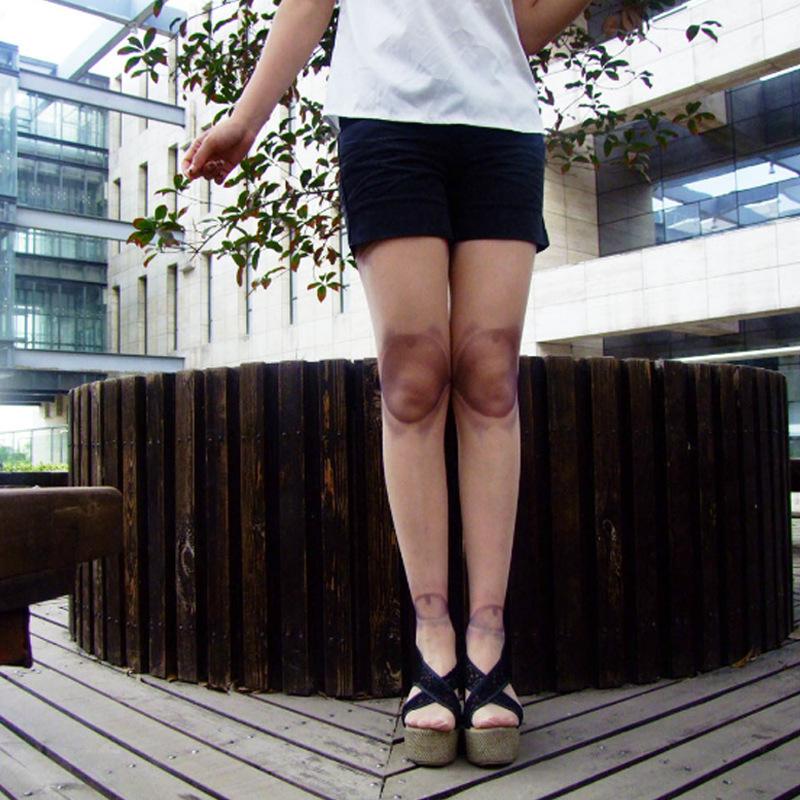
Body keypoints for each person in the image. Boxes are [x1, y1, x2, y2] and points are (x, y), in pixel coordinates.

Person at [184, 0, 592, 768]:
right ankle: (433, 632)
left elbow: (525, 24)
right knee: (411, 378)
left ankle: (489, 636)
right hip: (385, 113)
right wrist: (246, 118)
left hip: (500, 117)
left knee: (490, 376)